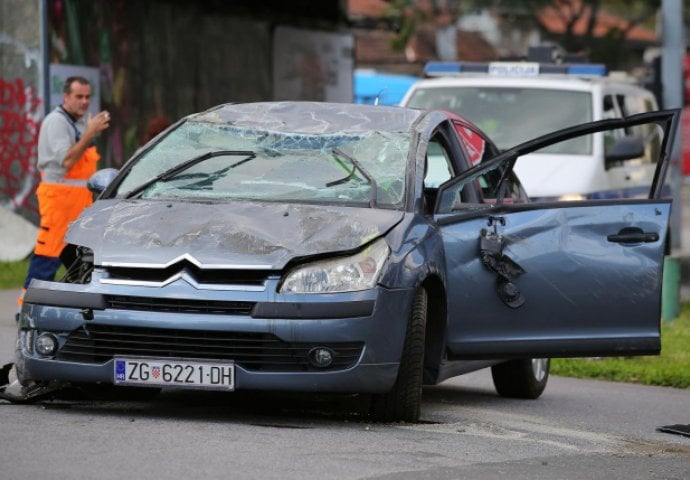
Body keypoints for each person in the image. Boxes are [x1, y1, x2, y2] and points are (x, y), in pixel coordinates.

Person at [18, 76, 110, 313]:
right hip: (59, 200)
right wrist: (90, 133)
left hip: (77, 202)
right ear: (66, 96)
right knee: (49, 252)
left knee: (79, 254)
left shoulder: (77, 122)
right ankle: (28, 307)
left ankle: (77, 304)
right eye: (78, 96)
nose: (84, 101)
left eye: (87, 97)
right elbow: (67, 160)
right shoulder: (57, 122)